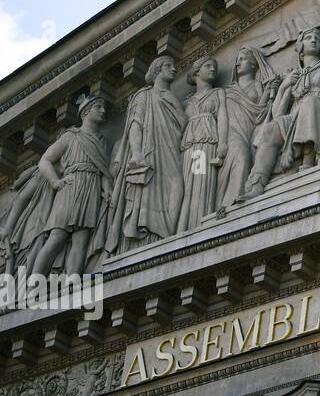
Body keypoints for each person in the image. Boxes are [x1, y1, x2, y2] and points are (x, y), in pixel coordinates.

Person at [238, 28, 320, 199]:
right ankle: (257, 184)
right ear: (300, 48)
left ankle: (309, 158)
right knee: (271, 128)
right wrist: (285, 85)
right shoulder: (294, 75)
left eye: (317, 38)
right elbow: (277, 113)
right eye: (309, 38)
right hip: (295, 117)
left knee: (309, 102)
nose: (314, 40)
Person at [98, 55, 186, 255]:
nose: (174, 69)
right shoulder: (143, 96)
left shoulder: (169, 97)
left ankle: (169, 235)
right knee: (152, 189)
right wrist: (136, 153)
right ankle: (149, 238)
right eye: (168, 66)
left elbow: (182, 123)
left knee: (177, 184)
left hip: (171, 149)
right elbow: (135, 125)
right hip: (150, 151)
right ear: (156, 70)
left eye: (173, 66)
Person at [26, 94, 111, 277]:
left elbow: (103, 169)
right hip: (70, 187)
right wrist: (55, 182)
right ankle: (33, 283)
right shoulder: (71, 137)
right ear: (86, 111)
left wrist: (107, 189)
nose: (103, 111)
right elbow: (45, 161)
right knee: (57, 237)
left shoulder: (102, 141)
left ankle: (73, 279)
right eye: (99, 107)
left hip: (91, 188)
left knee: (81, 239)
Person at [218, 46, 281, 208]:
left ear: (253, 64)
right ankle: (231, 202)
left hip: (249, 130)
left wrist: (269, 91)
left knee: (247, 154)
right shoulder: (227, 91)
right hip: (232, 132)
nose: (238, 63)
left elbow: (260, 112)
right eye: (237, 60)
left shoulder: (257, 86)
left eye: (243, 59)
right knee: (242, 156)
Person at [176, 56, 227, 232]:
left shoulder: (218, 93)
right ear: (196, 72)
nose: (213, 69)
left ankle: (197, 225)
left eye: (214, 67)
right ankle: (184, 228)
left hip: (204, 146)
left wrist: (223, 144)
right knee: (186, 186)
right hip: (189, 147)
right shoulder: (185, 102)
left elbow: (222, 118)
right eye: (208, 66)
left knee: (200, 182)